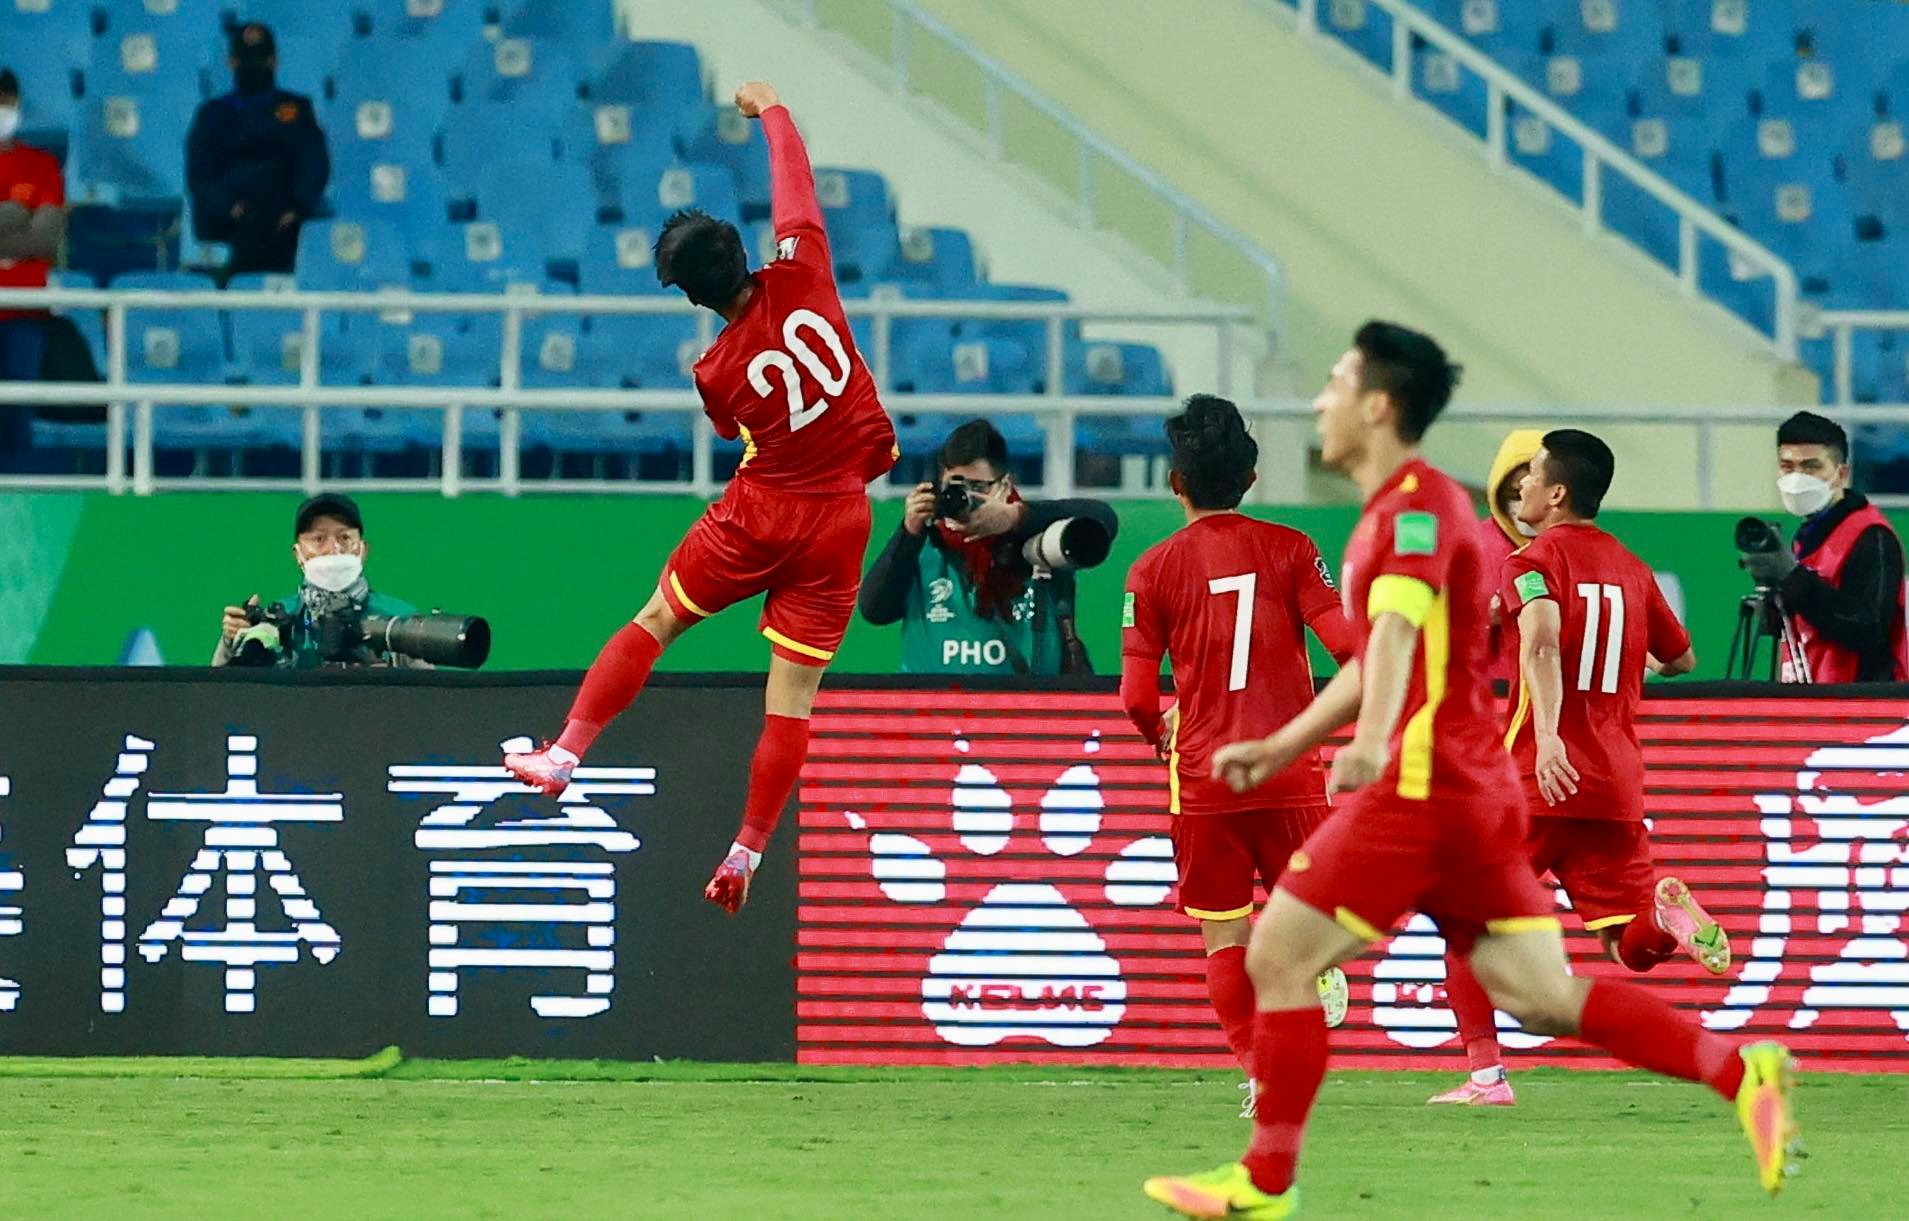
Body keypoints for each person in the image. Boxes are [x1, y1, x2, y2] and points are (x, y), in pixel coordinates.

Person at [1140, 322, 1799, 1221]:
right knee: (1542, 996)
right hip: (1476, 788)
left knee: (1276, 956)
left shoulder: (1411, 508)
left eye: (1335, 380)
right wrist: (1291, 742)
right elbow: (1374, 656)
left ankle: (1262, 1183)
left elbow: (1399, 630)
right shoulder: (1414, 506)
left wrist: (1366, 742)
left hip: (1423, 787)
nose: (1319, 400)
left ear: (1378, 405)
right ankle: (1739, 1069)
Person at [505, 82, 897, 915]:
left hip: (763, 513)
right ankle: (746, 848)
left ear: (686, 294)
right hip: (842, 519)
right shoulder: (807, 271)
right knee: (790, 698)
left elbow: (739, 431)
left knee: (656, 620)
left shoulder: (715, 372)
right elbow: (796, 189)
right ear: (741, 249)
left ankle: (566, 753)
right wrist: (776, 111)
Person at [1429, 427, 1722, 1108]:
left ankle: (1484, 1077)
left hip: (1538, 774)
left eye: (1530, 476)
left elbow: (1537, 644)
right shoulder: (1630, 566)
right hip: (1614, 783)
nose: (1521, 487)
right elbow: (1681, 659)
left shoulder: (1529, 560)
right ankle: (1662, 915)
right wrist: (1629, 653)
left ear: (1556, 493)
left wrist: (1551, 734)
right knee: (1627, 944)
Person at [1119, 394, 1357, 1119]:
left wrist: (1158, 726)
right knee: (1319, 913)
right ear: (1250, 479)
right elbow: (1350, 649)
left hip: (1204, 777)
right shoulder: (1291, 548)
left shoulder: (1150, 570)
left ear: (1173, 482)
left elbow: (1133, 694)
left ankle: (1261, 1073)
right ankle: (1316, 965)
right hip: (1289, 772)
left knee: (1222, 933)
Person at [859, 419, 1117, 676]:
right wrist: (909, 531)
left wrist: (1016, 517)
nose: (969, 498)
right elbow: (874, 610)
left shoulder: (1039, 532)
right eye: (957, 487)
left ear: (1004, 486)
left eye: (979, 487)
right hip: (934, 710)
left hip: (1029, 709)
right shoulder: (922, 540)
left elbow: (1104, 520)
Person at [1742, 411, 1907, 683]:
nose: (1797, 477)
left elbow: (1869, 628)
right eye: (1787, 466)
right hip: (1810, 698)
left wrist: (1795, 579)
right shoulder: (1805, 536)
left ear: (1841, 474)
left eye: (1811, 466)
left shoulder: (1871, 536)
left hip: (1860, 706)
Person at [214, 493, 429, 669]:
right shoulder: (280, 620)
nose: (333, 549)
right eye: (319, 539)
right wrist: (231, 642)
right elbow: (225, 696)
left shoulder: (397, 617)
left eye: (345, 538)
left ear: (363, 550)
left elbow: (428, 701)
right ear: (298, 554)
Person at [186, 24, 330, 277]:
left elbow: (314, 163)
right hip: (230, 225)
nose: (255, 66)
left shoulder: (296, 109)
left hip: (285, 225)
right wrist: (230, 208)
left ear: (273, 62)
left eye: (261, 59)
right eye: (245, 60)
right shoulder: (213, 114)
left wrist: (297, 208)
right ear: (232, 62)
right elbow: (200, 174)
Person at [0, 67, 66, 383]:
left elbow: (45, 240)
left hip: (25, 312)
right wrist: (17, 217)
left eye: (6, 103)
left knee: (16, 419)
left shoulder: (42, 165)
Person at [1480, 428, 1541, 685]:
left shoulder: (1574, 549)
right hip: (1491, 696)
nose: (1522, 504)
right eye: (1514, 494)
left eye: (1532, 493)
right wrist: (1484, 618)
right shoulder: (1473, 546)